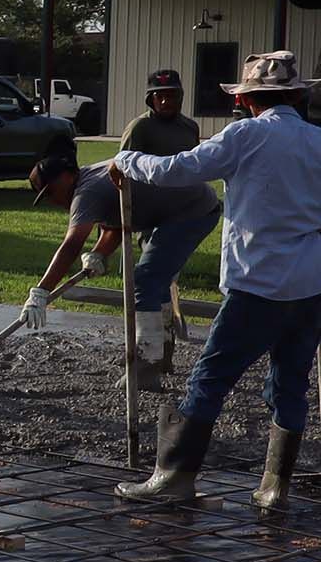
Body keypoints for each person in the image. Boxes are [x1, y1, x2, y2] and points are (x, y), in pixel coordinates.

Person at [112, 50, 321, 510]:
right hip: (310, 286)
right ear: (296, 96)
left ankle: (174, 476)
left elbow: (177, 170)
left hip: (258, 283)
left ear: (245, 99)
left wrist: (127, 160)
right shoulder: (317, 140)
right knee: (291, 384)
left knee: (209, 380)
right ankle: (275, 487)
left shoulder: (246, 135)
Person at [23, 124, 219, 372]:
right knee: (155, 281)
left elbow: (72, 244)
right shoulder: (90, 178)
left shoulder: (86, 192)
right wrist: (99, 254)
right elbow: (116, 225)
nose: (52, 200)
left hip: (193, 211)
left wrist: (41, 292)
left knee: (146, 280)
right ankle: (161, 355)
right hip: (183, 208)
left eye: (50, 192)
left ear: (65, 176)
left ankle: (147, 367)